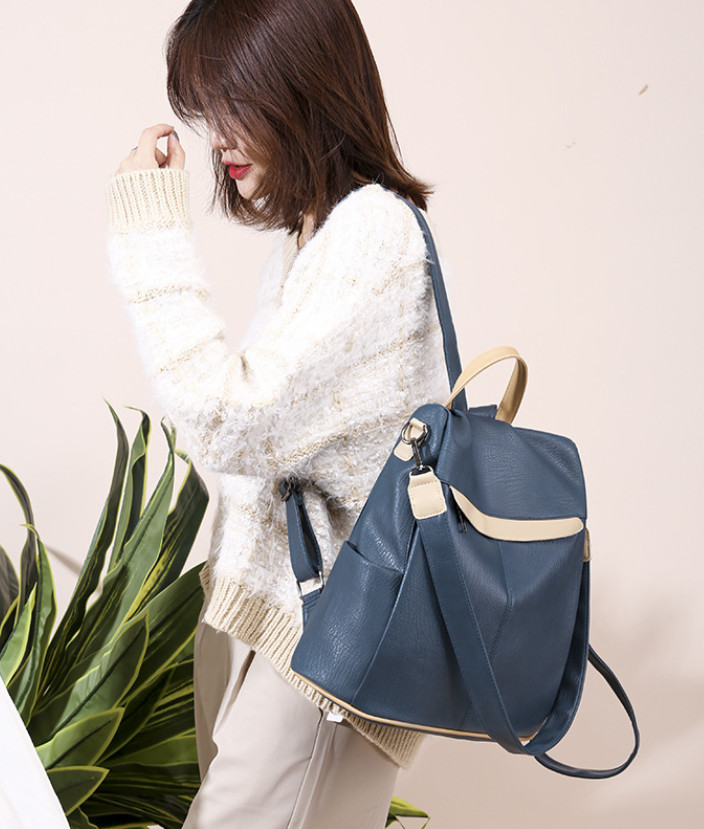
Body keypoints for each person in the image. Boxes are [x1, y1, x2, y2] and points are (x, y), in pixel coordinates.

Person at [105, 0, 451, 826]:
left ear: (300, 87)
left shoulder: (372, 233)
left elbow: (231, 418)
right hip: (278, 631)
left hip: (325, 652)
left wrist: (148, 227)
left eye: (234, 105)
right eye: (207, 112)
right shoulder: (309, 238)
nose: (217, 140)